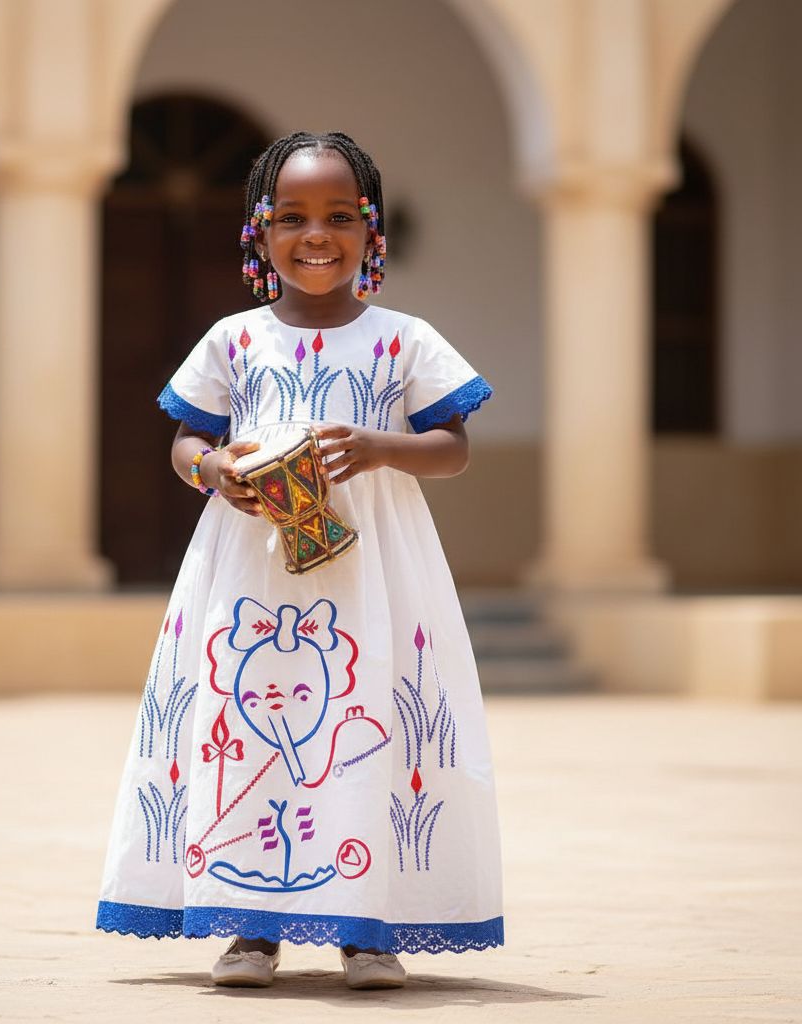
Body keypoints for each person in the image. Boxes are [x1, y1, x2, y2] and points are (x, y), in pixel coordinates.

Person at [97, 131, 503, 990]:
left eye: (338, 217)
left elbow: (453, 446)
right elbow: (187, 439)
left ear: (371, 231)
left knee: (371, 726)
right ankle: (249, 928)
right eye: (291, 217)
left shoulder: (404, 339)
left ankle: (370, 928)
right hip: (250, 572)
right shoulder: (234, 341)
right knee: (246, 732)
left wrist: (381, 444)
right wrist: (214, 472)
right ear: (258, 232)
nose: (315, 235)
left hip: (374, 579)